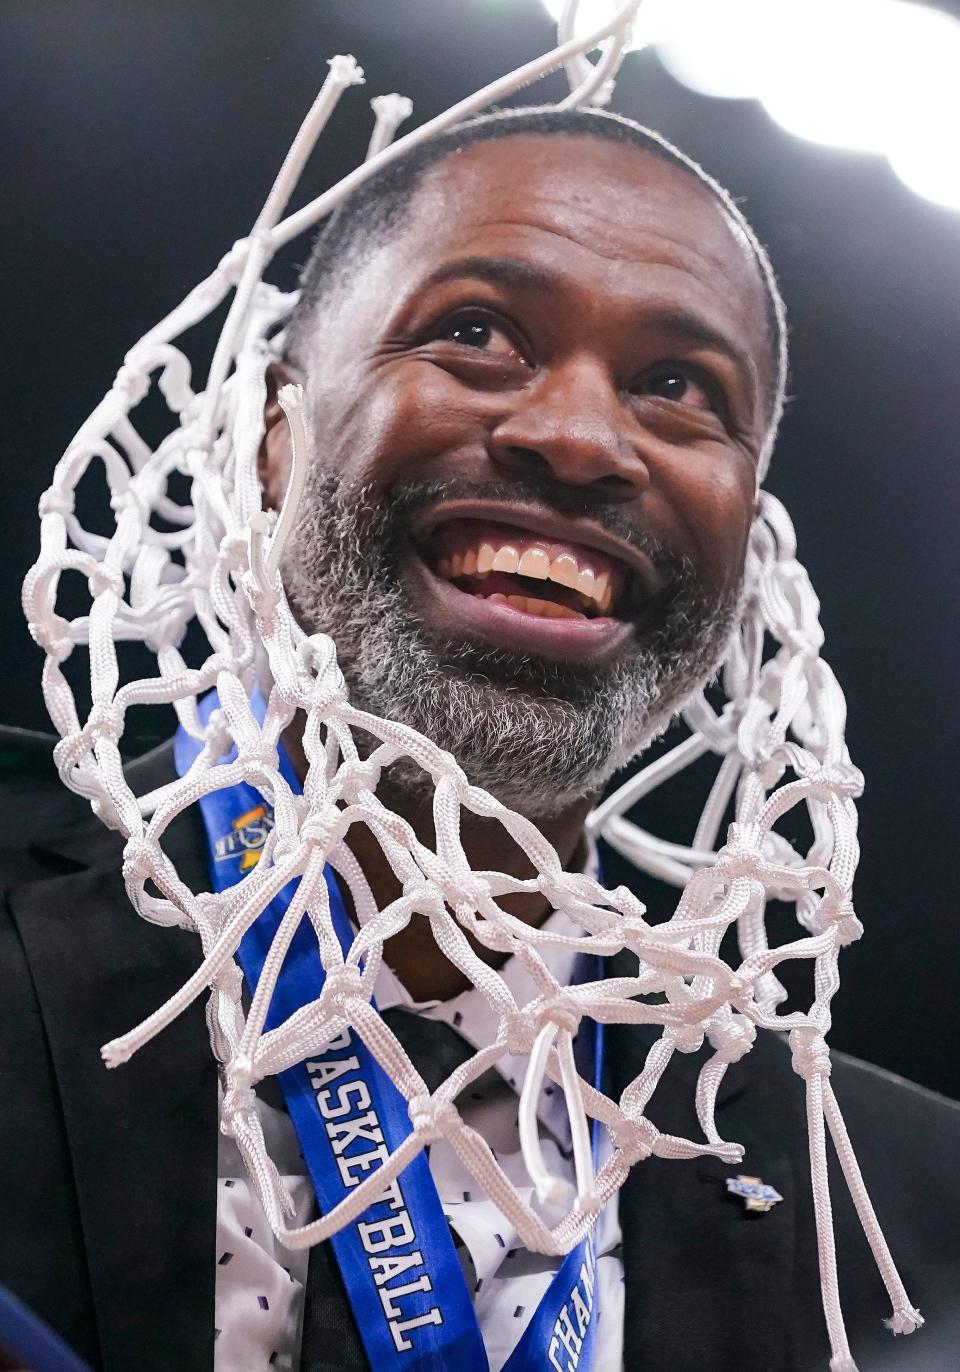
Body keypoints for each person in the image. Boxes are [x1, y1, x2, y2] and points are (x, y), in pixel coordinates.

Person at [2, 106, 959, 1372]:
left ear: (751, 541)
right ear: (275, 435)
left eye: (679, 388)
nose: (579, 436)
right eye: (479, 335)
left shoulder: (905, 1219)